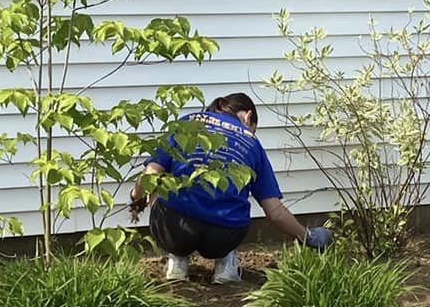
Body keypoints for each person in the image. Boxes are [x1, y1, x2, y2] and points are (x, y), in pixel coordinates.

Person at [129, 92, 331, 283]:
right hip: (223, 237)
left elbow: (151, 175)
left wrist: (136, 199)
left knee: (159, 182)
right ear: (248, 117)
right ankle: (225, 264)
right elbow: (275, 212)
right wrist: (309, 237)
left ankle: (178, 260)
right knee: (237, 201)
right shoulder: (251, 142)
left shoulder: (188, 122)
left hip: (173, 230)